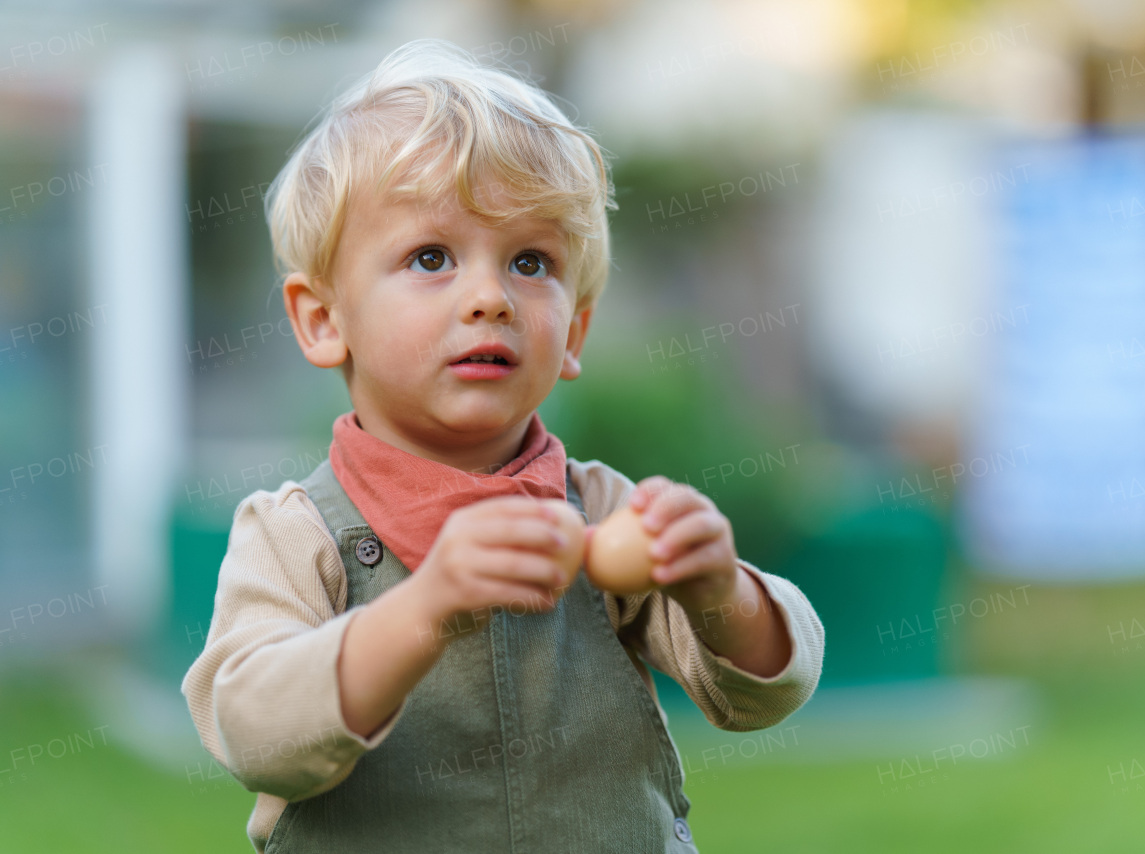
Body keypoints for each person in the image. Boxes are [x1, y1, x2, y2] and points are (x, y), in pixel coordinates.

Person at [181, 38, 824, 854]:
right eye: (430, 257)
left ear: (577, 330)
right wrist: (422, 608)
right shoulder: (295, 536)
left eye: (530, 261)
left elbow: (763, 695)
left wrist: (718, 587)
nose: (489, 297)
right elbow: (254, 732)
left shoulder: (602, 514)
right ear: (323, 319)